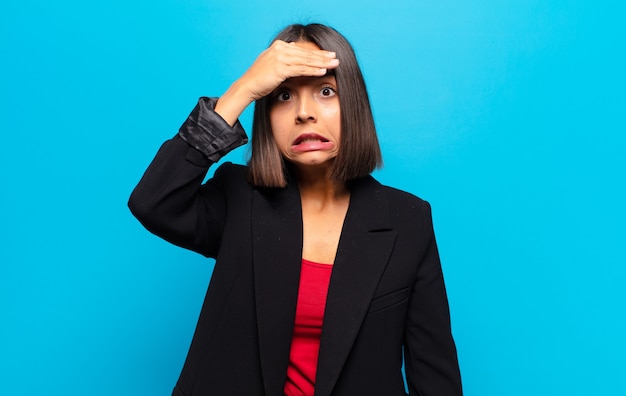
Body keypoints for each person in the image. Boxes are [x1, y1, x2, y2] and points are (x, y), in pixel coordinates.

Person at [129, 23, 462, 396]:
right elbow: (153, 202)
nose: (304, 113)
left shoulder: (408, 221)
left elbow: (435, 376)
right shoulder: (239, 197)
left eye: (325, 91)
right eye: (283, 96)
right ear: (267, 116)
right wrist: (242, 90)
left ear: (353, 103)